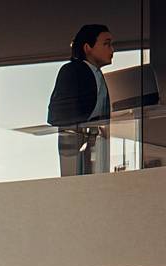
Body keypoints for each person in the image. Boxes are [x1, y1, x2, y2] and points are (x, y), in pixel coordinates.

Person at [47, 24, 114, 176]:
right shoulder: (72, 70)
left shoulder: (98, 75)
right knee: (74, 181)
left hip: (95, 138)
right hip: (74, 138)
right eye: (106, 44)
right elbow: (58, 112)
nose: (112, 50)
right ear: (87, 47)